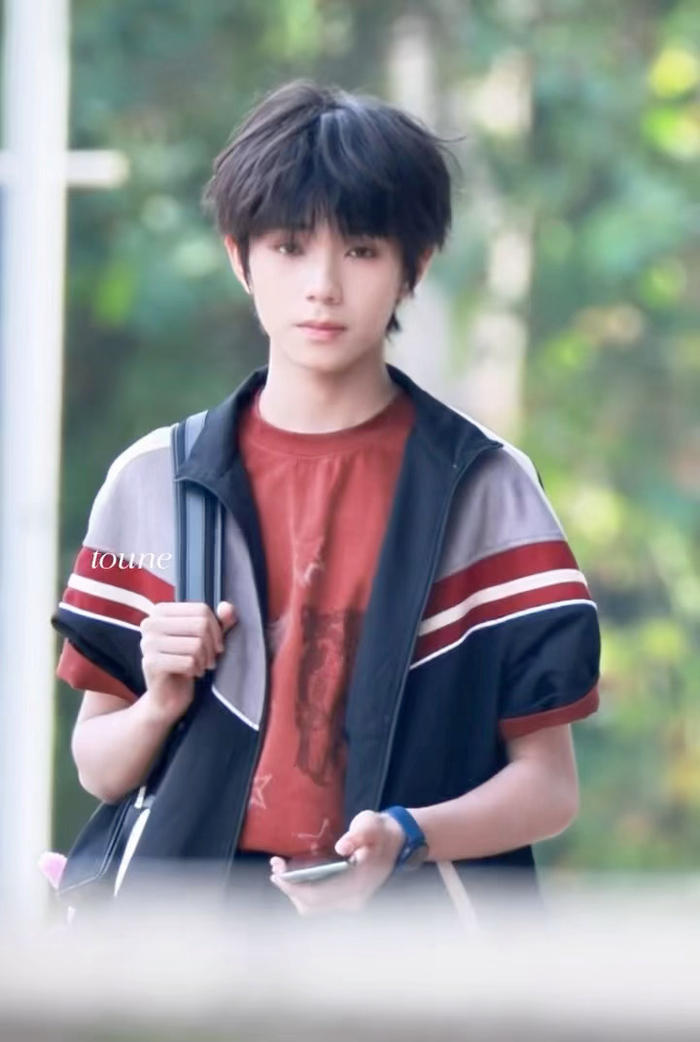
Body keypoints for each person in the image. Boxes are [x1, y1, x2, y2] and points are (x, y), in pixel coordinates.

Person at [52, 80, 600, 922]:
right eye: (289, 246)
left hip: (407, 950)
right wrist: (159, 700)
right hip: (186, 947)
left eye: (363, 250)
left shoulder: (485, 490)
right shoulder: (155, 479)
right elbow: (98, 765)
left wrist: (408, 837)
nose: (323, 285)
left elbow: (549, 787)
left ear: (416, 266)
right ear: (240, 257)